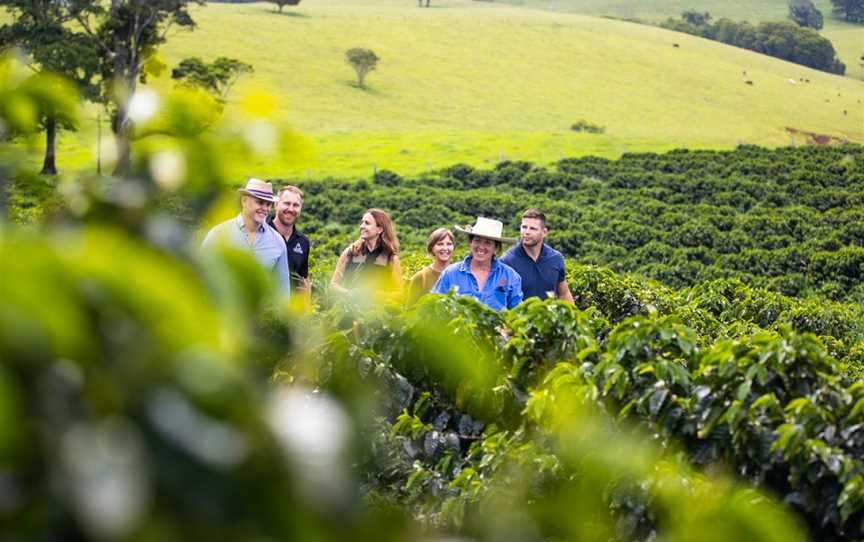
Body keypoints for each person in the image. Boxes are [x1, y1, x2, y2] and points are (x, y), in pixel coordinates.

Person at [201, 178, 291, 295]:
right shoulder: (218, 234)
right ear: (244, 201)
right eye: (260, 202)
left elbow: (283, 291)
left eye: (268, 204)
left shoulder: (277, 242)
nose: (265, 208)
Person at [432, 217, 522, 311]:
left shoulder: (510, 276)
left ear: (496, 247)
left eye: (488, 242)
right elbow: (436, 307)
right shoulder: (450, 274)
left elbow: (517, 314)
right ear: (471, 242)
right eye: (477, 240)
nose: (481, 247)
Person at [501, 208, 574, 304]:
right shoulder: (507, 261)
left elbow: (563, 294)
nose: (526, 232)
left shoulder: (556, 259)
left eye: (532, 228)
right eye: (524, 227)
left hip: (548, 317)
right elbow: (500, 297)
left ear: (544, 232)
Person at [330, 208, 402, 294]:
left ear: (380, 229)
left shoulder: (391, 259)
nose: (362, 226)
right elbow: (333, 285)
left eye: (367, 223)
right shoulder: (350, 253)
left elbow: (399, 293)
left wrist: (379, 296)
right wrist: (348, 293)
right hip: (349, 306)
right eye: (362, 223)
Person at [268, 185, 311, 295]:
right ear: (276, 205)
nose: (291, 209)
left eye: (296, 205)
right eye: (287, 203)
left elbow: (303, 279)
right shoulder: (262, 234)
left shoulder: (303, 242)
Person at [406, 227, 455, 306]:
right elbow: (409, 311)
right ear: (432, 248)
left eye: (449, 244)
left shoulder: (459, 274)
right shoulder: (421, 277)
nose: (445, 248)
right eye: (440, 244)